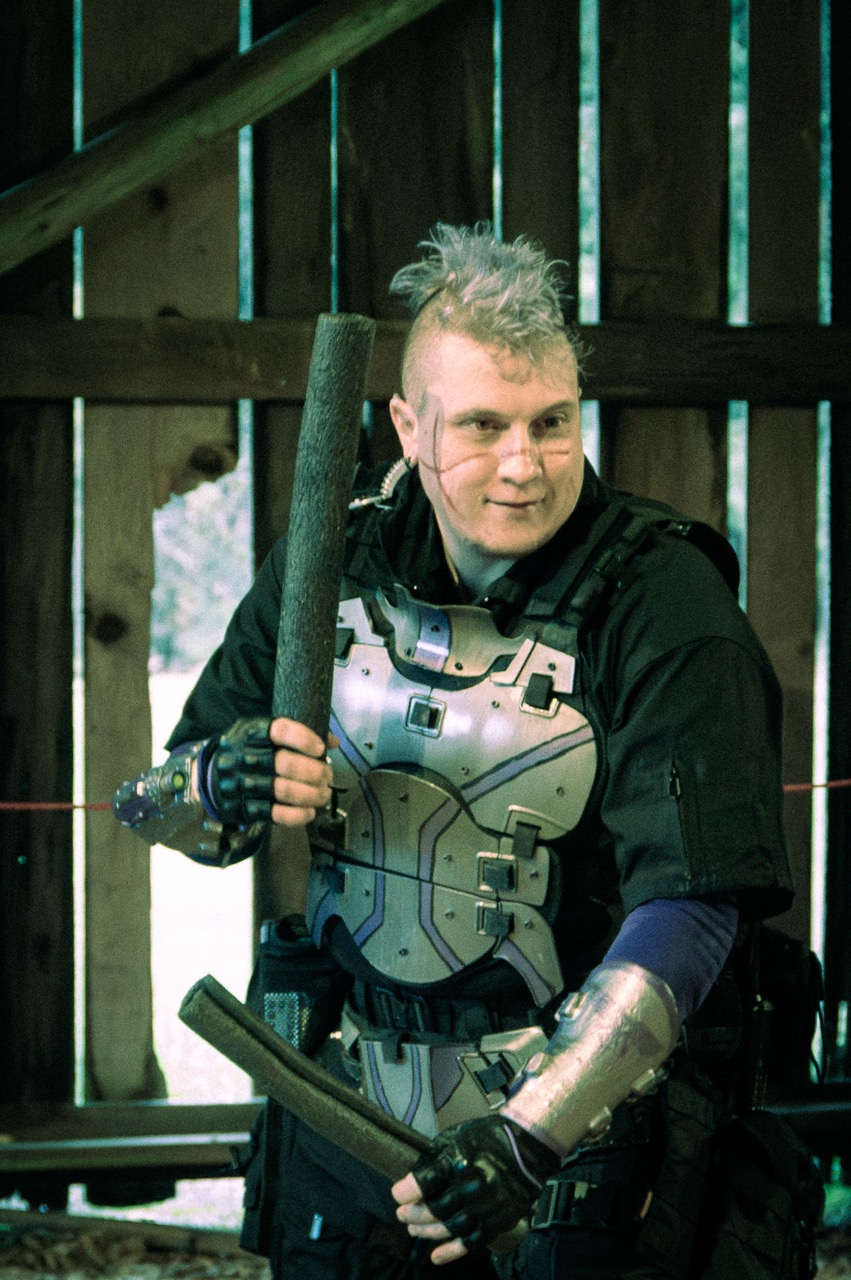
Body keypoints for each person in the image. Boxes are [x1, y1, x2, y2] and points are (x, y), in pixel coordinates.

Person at [114, 224, 816, 1279]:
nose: (523, 464)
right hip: (349, 1114)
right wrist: (222, 779)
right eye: (483, 425)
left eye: (551, 422)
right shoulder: (331, 559)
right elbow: (158, 804)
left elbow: (693, 910)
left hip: (592, 1138)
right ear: (409, 425)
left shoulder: (668, 606)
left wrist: (530, 1134)